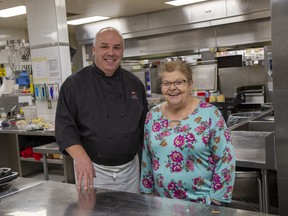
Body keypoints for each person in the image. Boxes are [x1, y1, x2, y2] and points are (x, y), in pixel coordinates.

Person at [55, 27, 148, 193]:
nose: (111, 53)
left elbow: (144, 128)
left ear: (122, 51)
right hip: (92, 170)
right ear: (94, 50)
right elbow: (64, 129)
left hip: (130, 171)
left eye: (116, 47)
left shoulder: (134, 83)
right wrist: (81, 159)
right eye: (104, 46)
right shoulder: (74, 85)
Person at [140, 60, 235, 205]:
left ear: (190, 84)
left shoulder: (209, 114)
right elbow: (147, 157)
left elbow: (225, 158)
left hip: (201, 205)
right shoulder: (153, 116)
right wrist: (147, 192)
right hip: (162, 205)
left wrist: (216, 199)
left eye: (179, 82)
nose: (173, 88)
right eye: (167, 83)